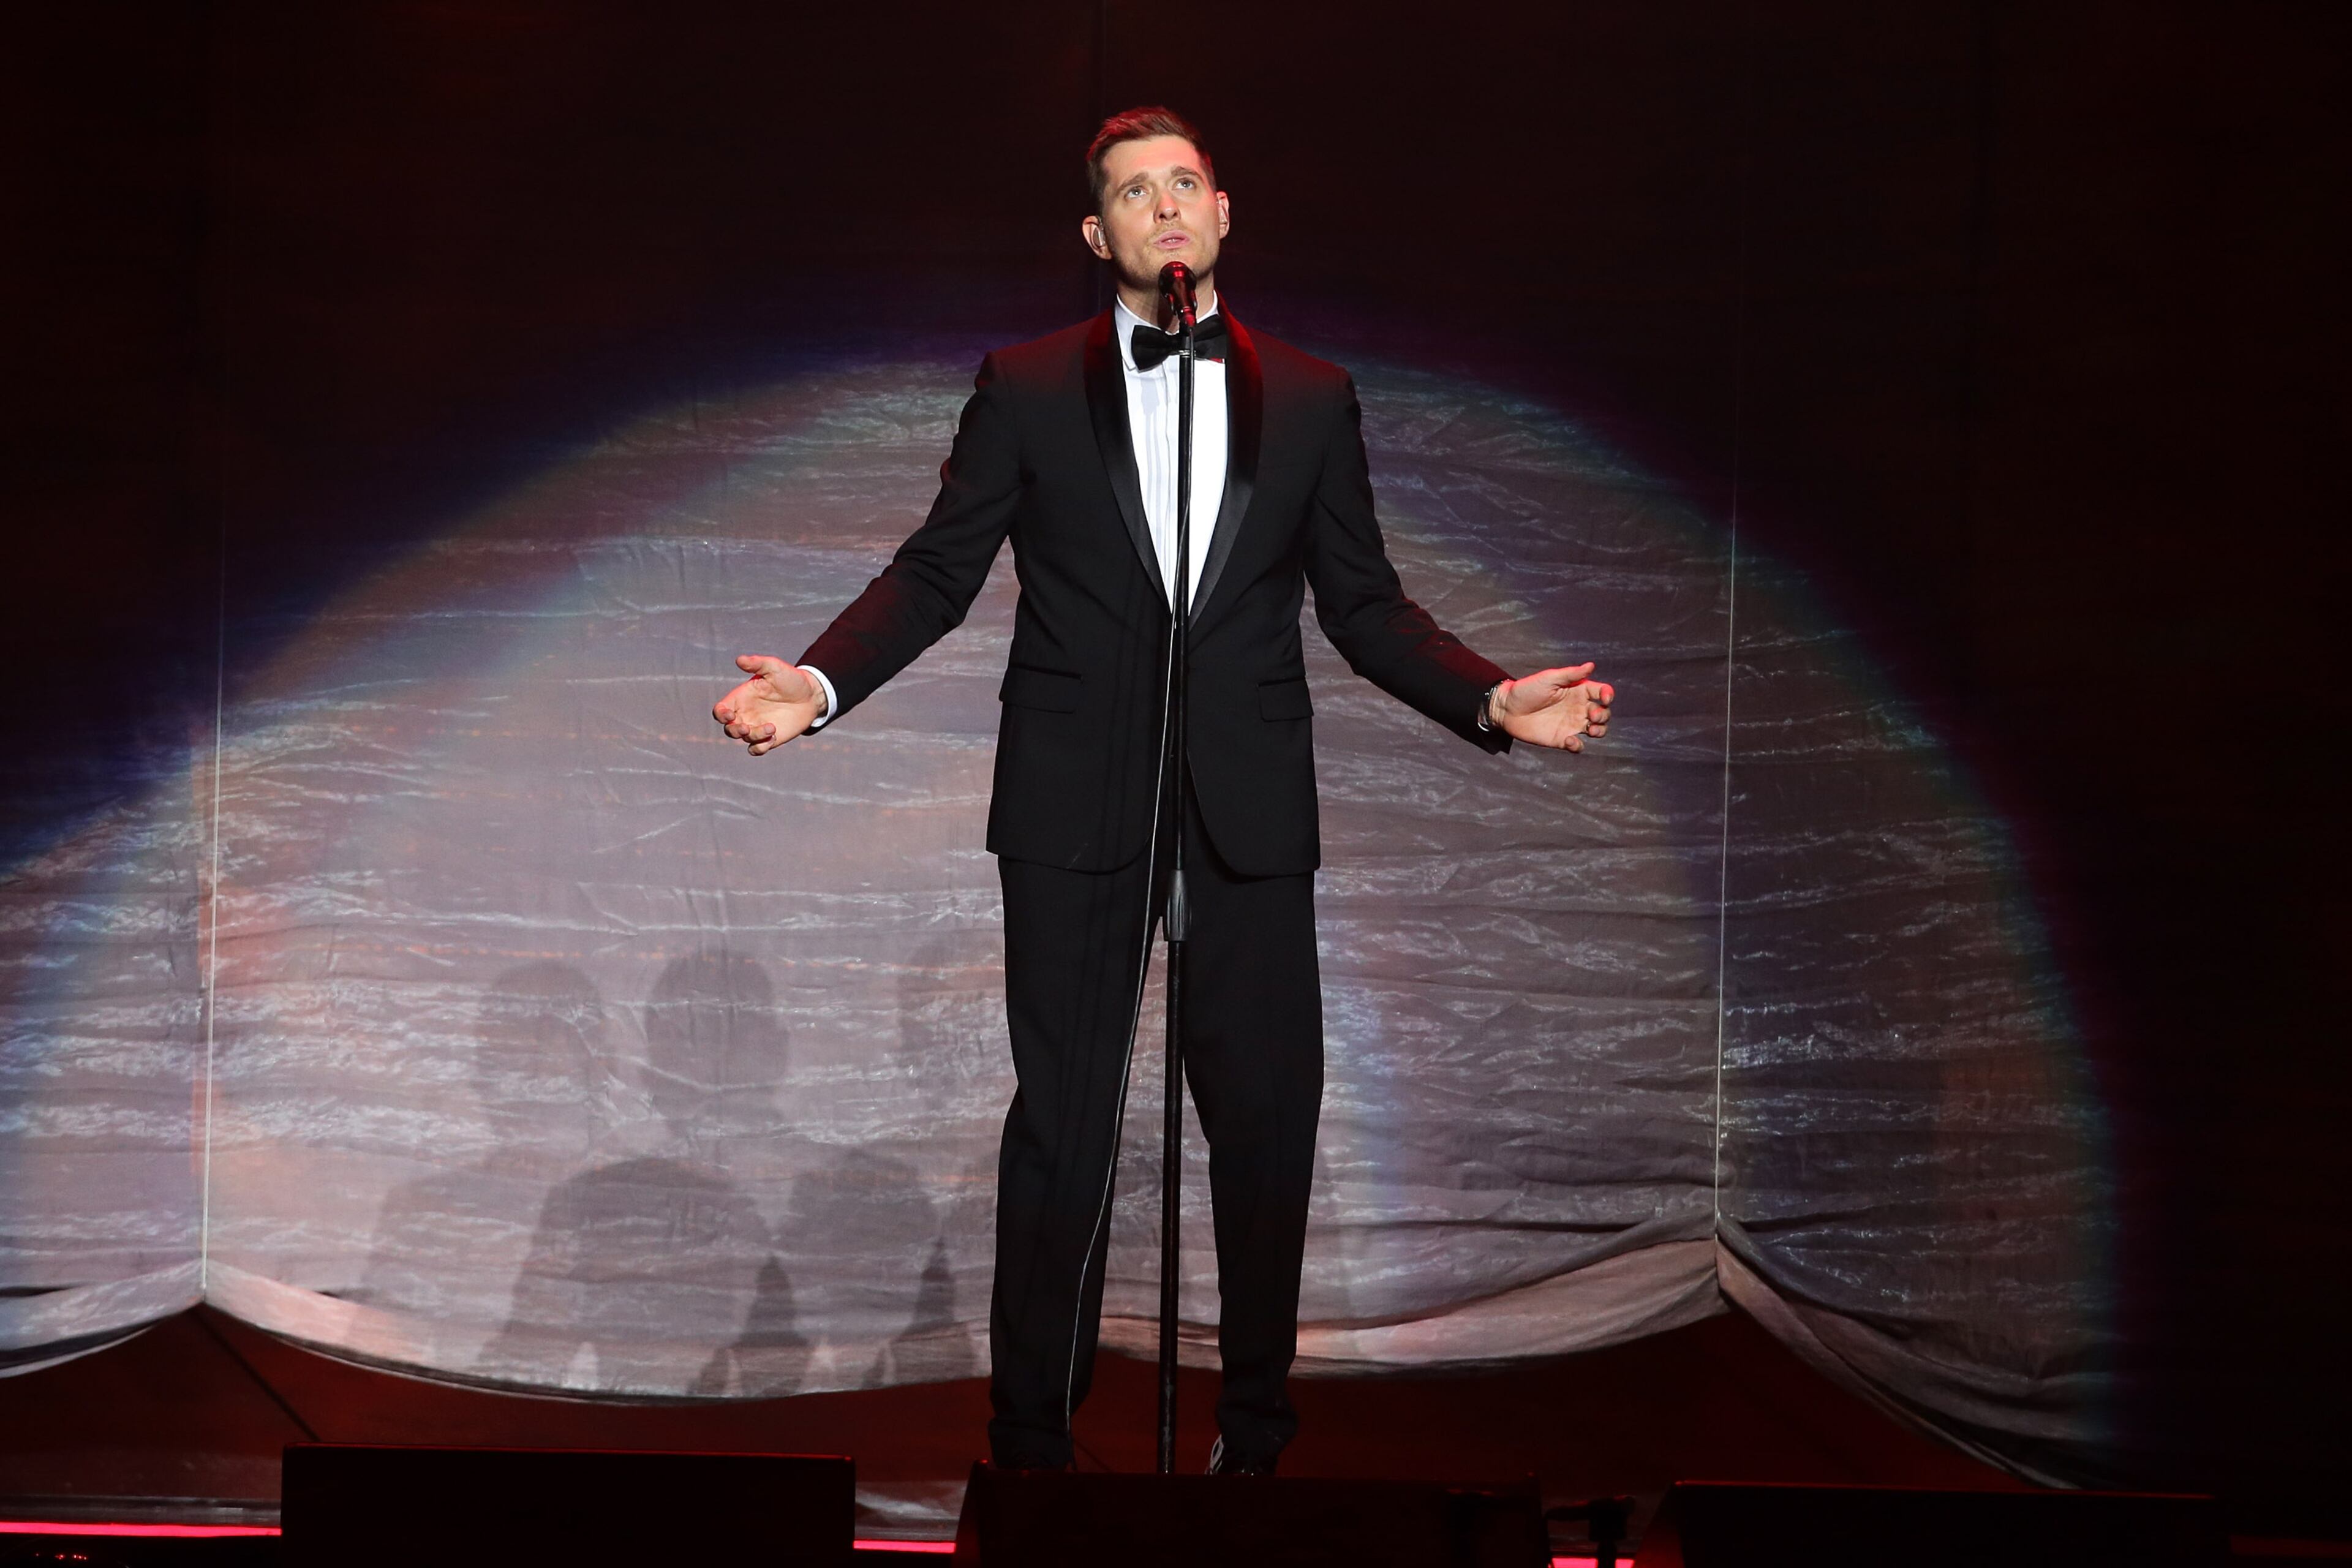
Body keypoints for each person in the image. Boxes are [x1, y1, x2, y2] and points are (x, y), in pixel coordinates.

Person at [713, 106, 1613, 1474]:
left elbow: (1365, 605)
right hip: (1076, 807)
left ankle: (1252, 1444)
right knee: (1063, 1134)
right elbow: (938, 570)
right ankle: (1033, 1447)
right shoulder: (1023, 386)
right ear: (1100, 235)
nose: (1166, 206)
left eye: (1184, 182)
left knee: (1264, 1133)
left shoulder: (1311, 396)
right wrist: (823, 686)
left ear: (1225, 211)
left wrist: (1488, 697)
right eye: (1134, 192)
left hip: (1247, 813)